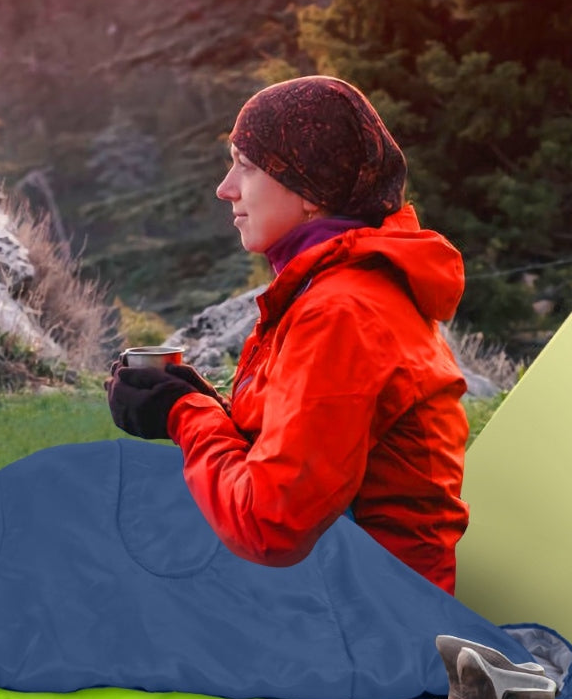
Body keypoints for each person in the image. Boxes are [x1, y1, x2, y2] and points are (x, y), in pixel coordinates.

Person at [106, 75, 470, 593]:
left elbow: (270, 525)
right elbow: (299, 455)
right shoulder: (333, 288)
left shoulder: (343, 310)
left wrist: (185, 416)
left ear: (311, 191)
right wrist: (199, 402)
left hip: (369, 625)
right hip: (344, 595)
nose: (225, 188)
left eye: (246, 166)